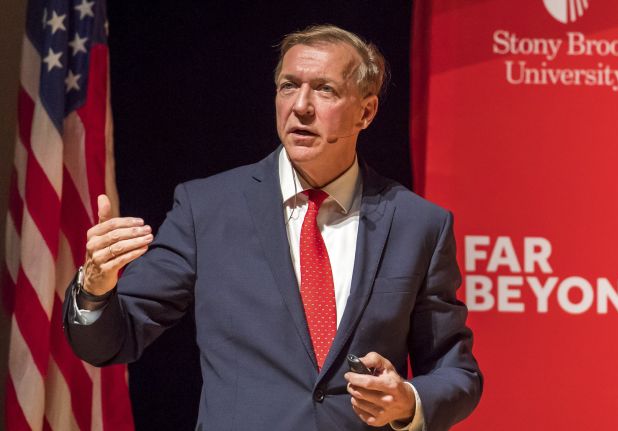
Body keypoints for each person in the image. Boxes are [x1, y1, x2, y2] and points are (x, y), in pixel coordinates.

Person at [64, 24, 482, 430]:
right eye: (288, 86)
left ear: (366, 111)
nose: (301, 106)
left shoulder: (418, 224)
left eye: (325, 89)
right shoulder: (207, 209)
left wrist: (409, 401)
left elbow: (456, 371)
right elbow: (115, 339)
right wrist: (95, 288)